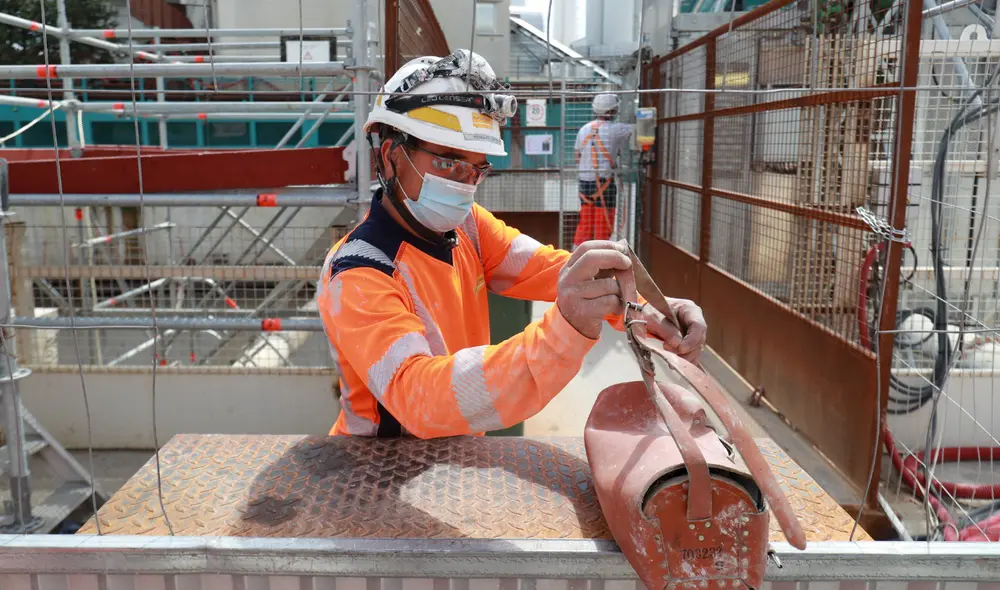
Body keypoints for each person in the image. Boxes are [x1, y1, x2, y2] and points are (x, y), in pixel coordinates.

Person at [317, 49, 707, 439]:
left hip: (450, 453)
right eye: (448, 162)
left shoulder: (468, 227)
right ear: (391, 156)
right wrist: (561, 334)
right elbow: (421, 398)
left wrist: (652, 310)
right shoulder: (359, 273)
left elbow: (546, 268)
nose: (464, 184)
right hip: (377, 465)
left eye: (477, 169)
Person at [572, 93, 634, 248]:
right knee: (603, 224)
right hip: (604, 183)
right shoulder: (616, 129)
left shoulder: (584, 129)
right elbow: (638, 129)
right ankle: (601, 255)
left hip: (584, 183)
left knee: (585, 223)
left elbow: (577, 156)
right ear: (613, 110)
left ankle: (576, 255)